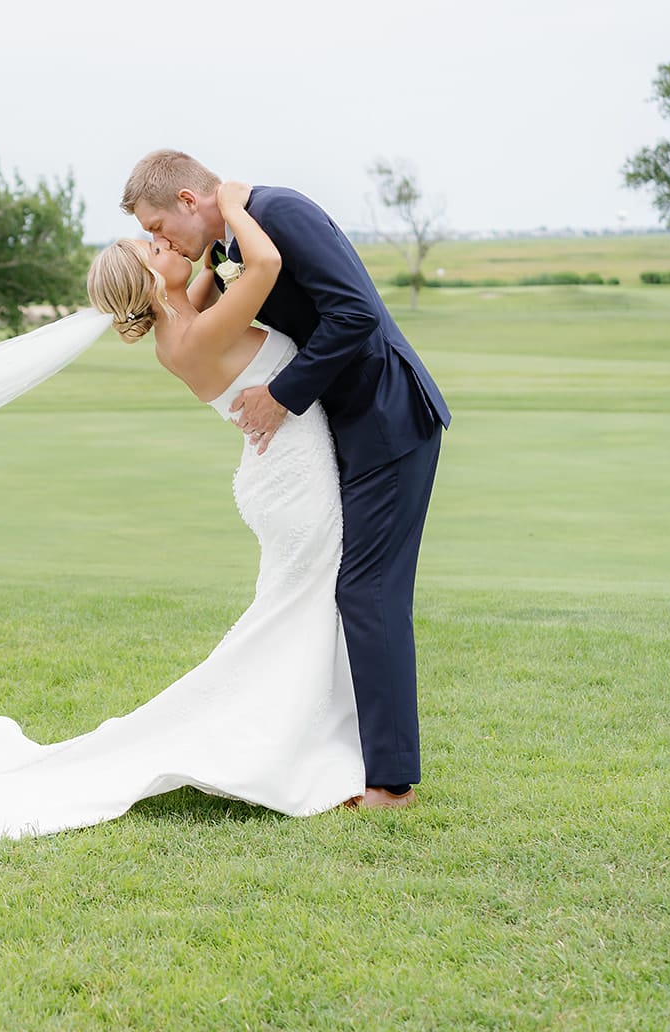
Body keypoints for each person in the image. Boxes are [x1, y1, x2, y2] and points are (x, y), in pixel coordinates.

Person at [0, 182, 366, 840]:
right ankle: (291, 747)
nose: (164, 242)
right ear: (146, 277)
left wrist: (201, 246)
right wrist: (230, 201)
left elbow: (222, 274)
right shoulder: (194, 332)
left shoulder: (182, 321)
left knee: (298, 607)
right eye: (151, 244)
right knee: (298, 609)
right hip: (291, 480)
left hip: (278, 475)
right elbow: (267, 267)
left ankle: (308, 733)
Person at [122, 150, 450, 808]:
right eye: (150, 239)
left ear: (190, 199)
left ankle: (390, 783)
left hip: (387, 418)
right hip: (347, 432)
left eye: (161, 226)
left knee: (366, 592)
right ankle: (344, 754)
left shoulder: (278, 212)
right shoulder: (228, 246)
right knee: (351, 591)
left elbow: (355, 313)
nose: (162, 241)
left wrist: (283, 394)